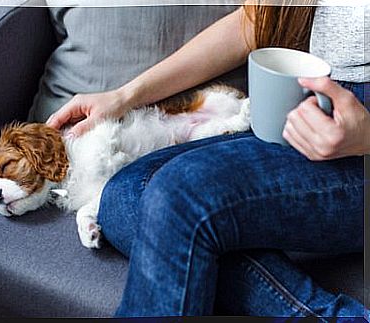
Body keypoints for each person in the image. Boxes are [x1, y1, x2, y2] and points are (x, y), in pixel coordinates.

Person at [47, 1, 369, 318]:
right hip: (309, 110)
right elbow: (256, 20)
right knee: (123, 196)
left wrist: (364, 134)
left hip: (360, 141)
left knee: (178, 197)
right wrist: (123, 97)